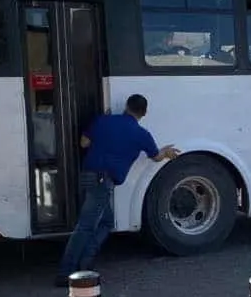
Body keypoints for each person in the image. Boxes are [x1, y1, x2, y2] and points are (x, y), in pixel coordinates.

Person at [54, 94, 179, 285]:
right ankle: (66, 272)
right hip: (103, 181)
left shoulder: (103, 120)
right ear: (144, 113)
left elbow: (84, 143)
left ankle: (85, 264)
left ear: (126, 106)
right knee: (86, 226)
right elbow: (156, 157)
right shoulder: (141, 134)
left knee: (106, 222)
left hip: (87, 175)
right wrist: (166, 152)